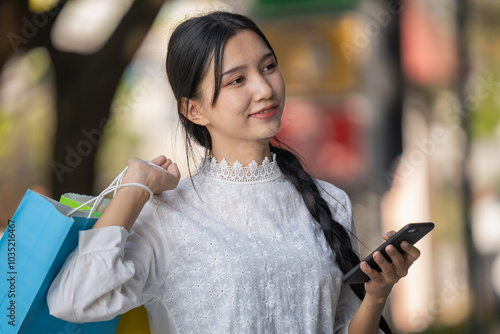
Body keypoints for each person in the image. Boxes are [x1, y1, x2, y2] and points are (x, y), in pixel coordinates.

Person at [48, 11, 420, 334]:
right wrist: (134, 187)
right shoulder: (167, 215)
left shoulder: (330, 201)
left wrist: (376, 294)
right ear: (194, 110)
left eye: (269, 66)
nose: (264, 88)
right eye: (237, 80)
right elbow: (73, 299)